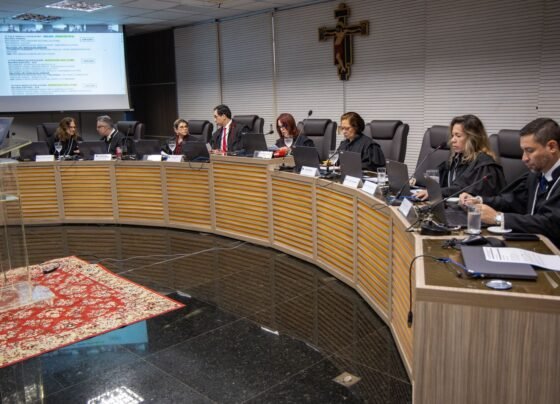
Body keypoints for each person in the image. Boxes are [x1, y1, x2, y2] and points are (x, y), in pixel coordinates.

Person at [460, 118, 560, 247]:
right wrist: (479, 201)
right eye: (523, 151)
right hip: (532, 245)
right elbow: (513, 201)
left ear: (552, 147)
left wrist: (498, 218)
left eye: (530, 151)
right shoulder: (536, 175)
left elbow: (550, 223)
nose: (524, 158)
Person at [415, 115, 506, 200]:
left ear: (473, 138)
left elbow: (463, 189)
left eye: (458, 136)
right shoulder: (457, 158)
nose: (452, 140)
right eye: (453, 135)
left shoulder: (485, 165)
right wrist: (416, 181)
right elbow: (439, 176)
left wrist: (436, 192)